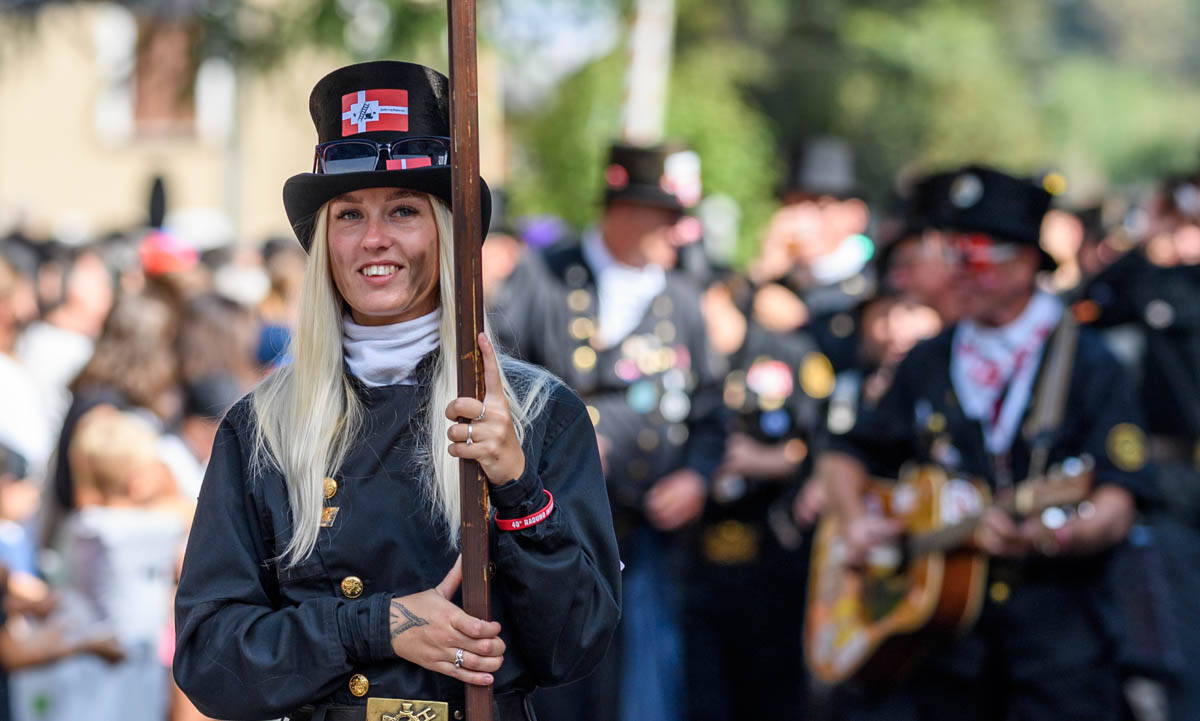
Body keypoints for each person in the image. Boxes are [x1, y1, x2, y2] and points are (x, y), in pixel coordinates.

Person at [173, 61, 621, 721]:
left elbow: (577, 643)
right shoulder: (261, 425)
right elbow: (209, 659)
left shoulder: (535, 412)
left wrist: (518, 487)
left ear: (447, 232)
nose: (374, 238)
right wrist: (376, 624)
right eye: (349, 213)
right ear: (325, 240)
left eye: (404, 210)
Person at [818, 166, 1148, 721]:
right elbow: (846, 451)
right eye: (949, 258)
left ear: (1024, 263)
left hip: (1058, 648)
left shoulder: (1093, 365)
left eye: (973, 260)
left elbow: (1118, 499)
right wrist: (855, 521)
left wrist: (1057, 535)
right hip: (939, 652)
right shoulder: (929, 359)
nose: (957, 277)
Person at [491, 142, 723, 721]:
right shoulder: (545, 275)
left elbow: (713, 411)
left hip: (648, 529)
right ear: (626, 210)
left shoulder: (684, 300)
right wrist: (555, 443)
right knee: (562, 678)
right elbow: (497, 371)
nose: (677, 233)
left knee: (646, 686)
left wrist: (696, 477)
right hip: (555, 522)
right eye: (666, 218)